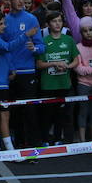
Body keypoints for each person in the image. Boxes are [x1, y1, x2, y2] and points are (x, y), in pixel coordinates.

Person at [0, 10, 35, 152]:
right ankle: (10, 149)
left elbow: (6, 56)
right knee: (4, 115)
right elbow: (8, 48)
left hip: (0, 82)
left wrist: (12, 69)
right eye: (0, 24)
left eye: (4, 23)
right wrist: (26, 35)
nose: (4, 26)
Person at [4, 0, 45, 148]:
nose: (20, 1)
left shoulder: (31, 19)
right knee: (15, 113)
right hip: (11, 73)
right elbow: (3, 48)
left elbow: (41, 46)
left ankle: (33, 147)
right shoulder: (4, 21)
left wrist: (34, 49)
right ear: (9, 1)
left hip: (28, 72)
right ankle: (19, 146)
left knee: (30, 112)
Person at [36, 11, 79, 145]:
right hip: (48, 85)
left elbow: (76, 60)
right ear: (48, 24)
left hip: (64, 84)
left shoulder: (69, 40)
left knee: (61, 115)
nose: (57, 24)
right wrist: (54, 63)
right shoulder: (43, 42)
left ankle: (58, 139)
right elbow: (39, 64)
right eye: (54, 21)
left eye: (60, 21)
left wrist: (67, 66)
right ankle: (44, 139)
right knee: (46, 115)